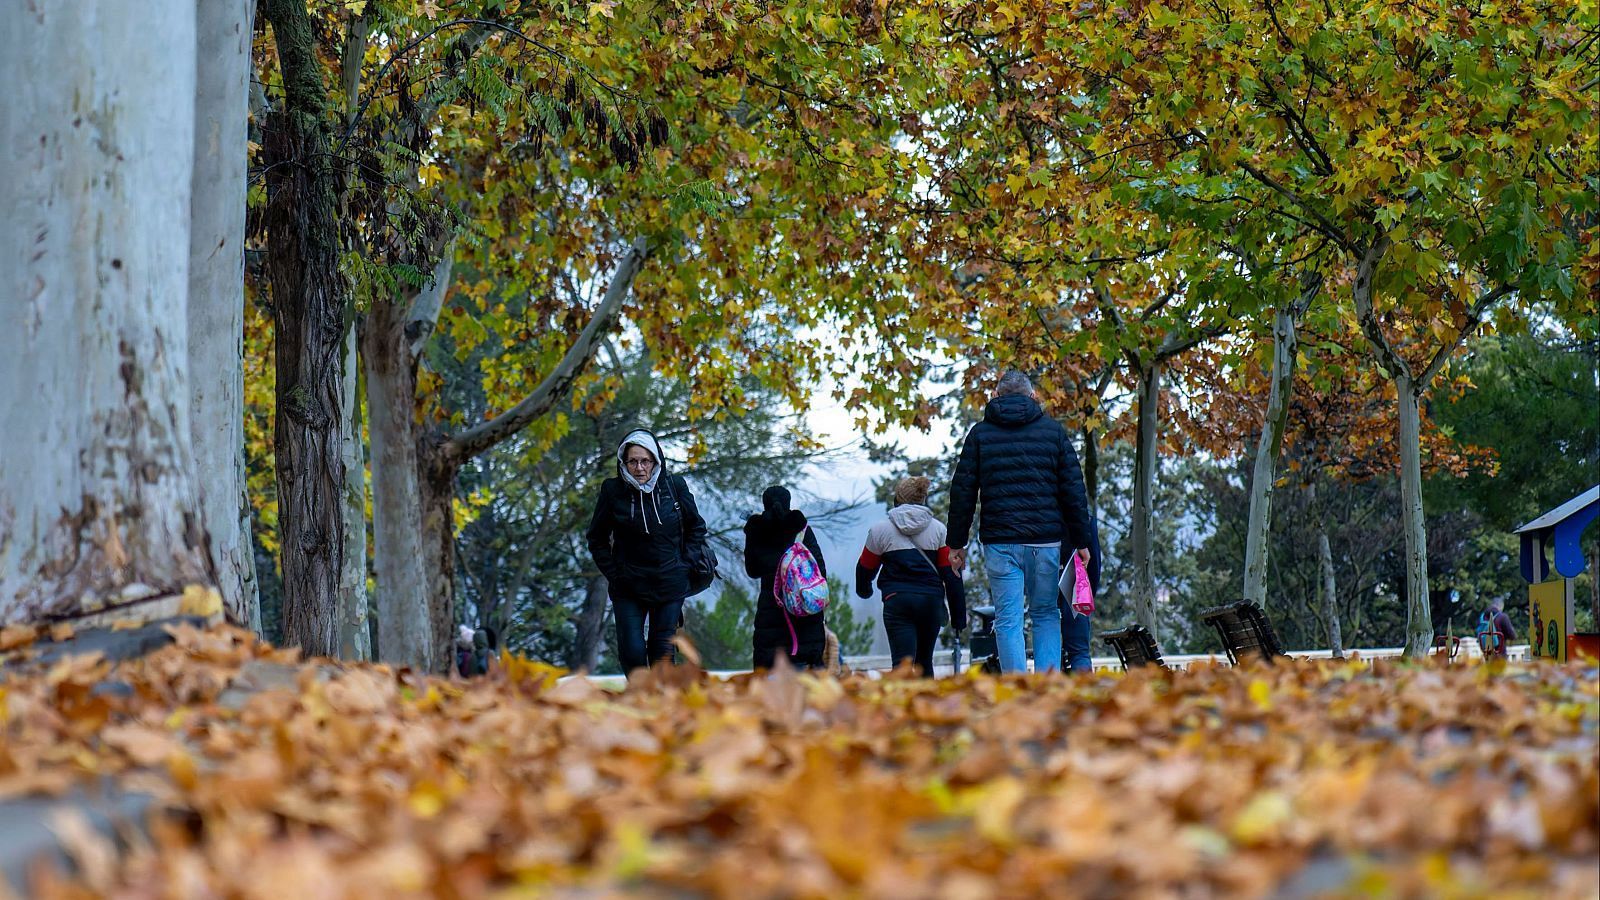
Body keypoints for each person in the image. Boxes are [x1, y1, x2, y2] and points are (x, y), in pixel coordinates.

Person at [947, 370, 1094, 675]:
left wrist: (956, 544)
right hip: (1045, 542)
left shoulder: (980, 435)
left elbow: (963, 492)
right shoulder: (1053, 433)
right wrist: (1082, 541)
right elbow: (1074, 491)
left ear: (996, 396)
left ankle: (1016, 689)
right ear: (1032, 396)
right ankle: (1048, 686)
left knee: (1008, 618)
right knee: (1045, 614)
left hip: (1000, 542)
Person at [586, 429, 707, 674]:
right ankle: (640, 701)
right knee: (632, 652)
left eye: (645, 461)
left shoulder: (674, 486)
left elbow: (697, 527)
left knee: (662, 652)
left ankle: (662, 707)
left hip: (670, 582)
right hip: (629, 585)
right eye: (633, 461)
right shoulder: (612, 491)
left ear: (655, 461)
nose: (639, 467)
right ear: (624, 462)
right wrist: (615, 574)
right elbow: (596, 538)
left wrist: (684, 564)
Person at [857, 476, 967, 676]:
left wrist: (864, 589)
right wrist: (959, 617)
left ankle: (900, 705)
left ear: (897, 499)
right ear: (923, 499)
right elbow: (952, 576)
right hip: (930, 602)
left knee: (902, 665)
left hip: (897, 601)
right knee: (925, 661)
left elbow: (865, 567)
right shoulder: (940, 530)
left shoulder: (880, 530)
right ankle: (927, 705)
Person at [744, 486, 829, 670]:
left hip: (770, 611)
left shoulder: (757, 532)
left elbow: (752, 569)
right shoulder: (802, 530)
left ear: (764, 503)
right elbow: (819, 568)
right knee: (807, 681)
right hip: (804, 612)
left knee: (771, 676)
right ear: (789, 503)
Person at [1059, 515, 1102, 673]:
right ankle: (1085, 693)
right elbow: (1095, 562)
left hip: (1045, 580)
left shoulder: (1042, 506)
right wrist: (1089, 592)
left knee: (1049, 646)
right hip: (1076, 585)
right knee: (1079, 652)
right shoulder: (1082, 515)